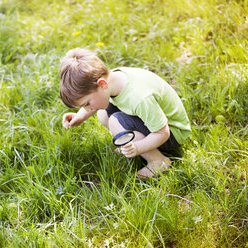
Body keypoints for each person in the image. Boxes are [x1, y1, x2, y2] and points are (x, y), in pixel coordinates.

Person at [59, 48, 191, 178]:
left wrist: (138, 148)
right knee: (102, 113)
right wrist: (79, 117)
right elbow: (96, 103)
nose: (87, 108)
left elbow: (163, 133)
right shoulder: (113, 80)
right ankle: (128, 140)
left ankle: (158, 160)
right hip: (157, 124)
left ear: (102, 84)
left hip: (172, 134)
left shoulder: (139, 98)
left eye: (86, 104)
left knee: (115, 121)